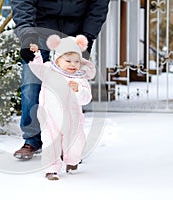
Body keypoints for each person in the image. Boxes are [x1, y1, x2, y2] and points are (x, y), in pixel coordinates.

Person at [11, 0, 110, 160]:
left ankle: (68, 143)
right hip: (39, 30)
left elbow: (98, 5)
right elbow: (23, 3)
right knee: (31, 85)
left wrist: (87, 36)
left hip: (74, 34)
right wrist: (27, 35)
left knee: (71, 89)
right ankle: (32, 140)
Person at [28, 34, 94, 180]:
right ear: (57, 60)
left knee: (76, 143)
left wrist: (78, 90)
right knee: (51, 142)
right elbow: (36, 67)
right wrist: (36, 54)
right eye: (68, 60)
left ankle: (72, 161)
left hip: (73, 119)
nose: (73, 64)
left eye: (77, 61)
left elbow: (86, 98)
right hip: (50, 117)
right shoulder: (49, 71)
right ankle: (51, 169)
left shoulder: (80, 78)